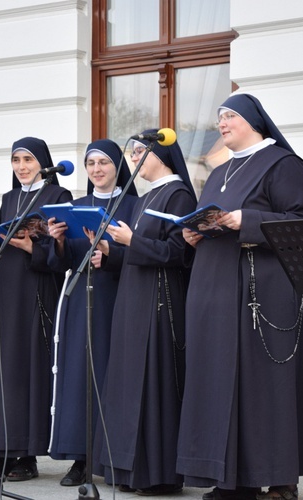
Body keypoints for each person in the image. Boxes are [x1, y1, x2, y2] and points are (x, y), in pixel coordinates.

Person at [176, 94, 303, 500]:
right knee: (222, 385)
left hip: (262, 294)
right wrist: (196, 232)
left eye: (229, 116)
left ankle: (280, 480)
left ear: (253, 120)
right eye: (219, 117)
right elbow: (214, 220)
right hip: (216, 293)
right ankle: (232, 482)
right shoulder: (219, 173)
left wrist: (248, 220)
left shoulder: (282, 164)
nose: (222, 123)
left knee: (265, 389)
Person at [0, 137, 73, 481]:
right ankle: (0, 450)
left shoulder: (59, 196)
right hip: (5, 292)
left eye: (28, 159)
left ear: (42, 162)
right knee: (0, 371)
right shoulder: (10, 198)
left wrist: (31, 247)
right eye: (16, 160)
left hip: (36, 293)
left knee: (26, 372)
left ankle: (26, 455)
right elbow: (0, 246)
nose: (22, 166)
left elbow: (61, 256)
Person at [95, 130, 196, 494]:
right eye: (132, 152)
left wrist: (131, 242)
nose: (134, 158)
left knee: (152, 385)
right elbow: (135, 254)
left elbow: (178, 254)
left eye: (141, 151)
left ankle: (157, 475)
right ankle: (126, 470)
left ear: (162, 155)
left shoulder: (179, 194)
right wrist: (110, 252)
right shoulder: (142, 198)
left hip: (160, 303)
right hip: (132, 300)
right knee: (126, 385)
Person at [44, 139, 138, 486]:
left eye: (104, 163)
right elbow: (63, 260)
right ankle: (80, 458)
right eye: (91, 164)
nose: (97, 170)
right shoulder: (76, 204)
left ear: (117, 167)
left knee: (113, 376)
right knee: (80, 376)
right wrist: (56, 239)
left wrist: (111, 257)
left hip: (118, 301)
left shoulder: (134, 205)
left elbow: (143, 253)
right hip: (79, 303)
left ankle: (113, 457)